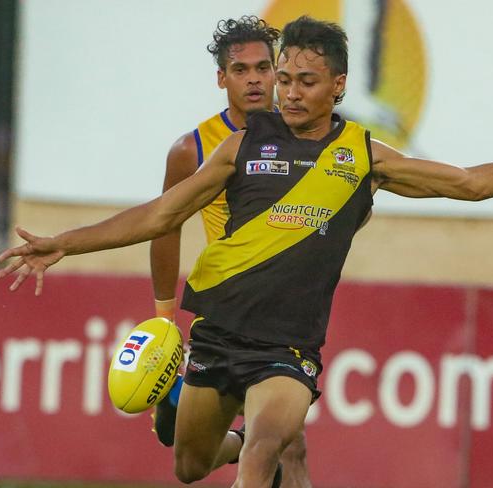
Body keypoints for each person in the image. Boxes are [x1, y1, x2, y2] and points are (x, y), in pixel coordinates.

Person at [0, 15, 493, 488]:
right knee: (189, 465)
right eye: (284, 79)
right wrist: (63, 244)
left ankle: (254, 445)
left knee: (264, 449)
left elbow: (471, 184)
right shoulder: (239, 147)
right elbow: (162, 214)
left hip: (288, 351)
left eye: (306, 81)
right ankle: (235, 437)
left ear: (338, 85)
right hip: (217, 336)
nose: (289, 92)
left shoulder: (363, 156)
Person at [148, 15, 311, 488]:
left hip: (283, 319)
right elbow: (165, 226)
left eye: (264, 68)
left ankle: (254, 455)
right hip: (220, 314)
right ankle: (233, 442)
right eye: (241, 70)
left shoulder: (306, 137)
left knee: (289, 441)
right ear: (222, 78)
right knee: (187, 461)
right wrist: (163, 320)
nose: (256, 79)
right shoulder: (192, 149)